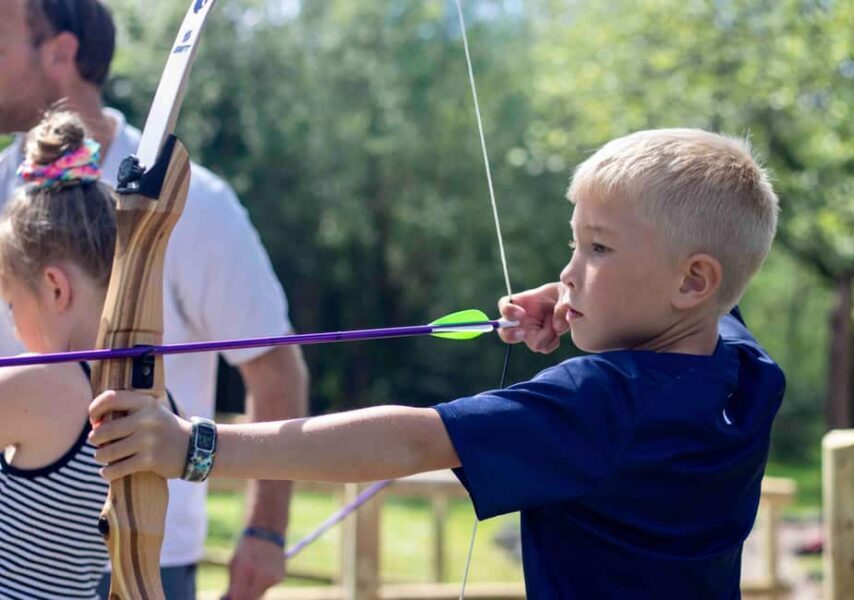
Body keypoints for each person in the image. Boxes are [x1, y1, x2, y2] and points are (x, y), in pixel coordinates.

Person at [90, 128, 786, 598]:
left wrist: (194, 447)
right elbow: (714, 311)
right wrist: (583, 295)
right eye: (571, 247)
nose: (569, 272)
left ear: (692, 281)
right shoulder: (745, 370)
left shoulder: (602, 399)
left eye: (598, 249)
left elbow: (409, 437)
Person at [0, 1, 308, 598]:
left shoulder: (193, 201)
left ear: (59, 52)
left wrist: (265, 532)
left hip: (153, 555)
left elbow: (275, 368)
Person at [0, 111, 133, 598]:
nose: (12, 322)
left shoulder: (43, 384)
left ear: (55, 288)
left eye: (12, 302)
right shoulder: (149, 393)